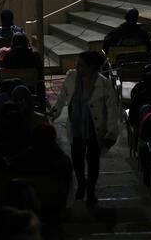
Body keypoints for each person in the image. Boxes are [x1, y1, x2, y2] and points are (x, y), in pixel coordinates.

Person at [50, 51, 118, 206]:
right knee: (77, 159)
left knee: (93, 161)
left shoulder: (104, 84)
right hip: (76, 126)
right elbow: (61, 98)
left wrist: (111, 132)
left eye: (80, 65)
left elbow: (111, 109)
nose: (77, 67)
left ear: (91, 67)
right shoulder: (71, 78)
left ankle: (91, 190)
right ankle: (81, 183)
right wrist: (54, 113)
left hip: (95, 128)